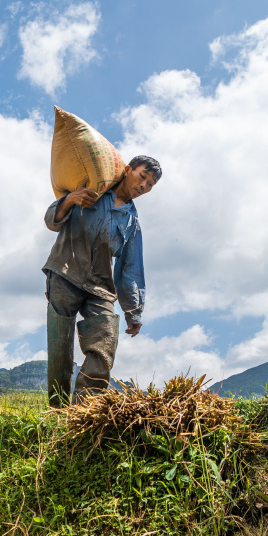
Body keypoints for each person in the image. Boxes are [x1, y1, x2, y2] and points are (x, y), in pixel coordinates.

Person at [42, 155, 161, 407]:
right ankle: (57, 411)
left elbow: (131, 269)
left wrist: (134, 312)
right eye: (142, 177)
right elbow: (51, 220)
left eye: (150, 185)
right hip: (65, 271)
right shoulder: (94, 190)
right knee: (60, 344)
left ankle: (84, 409)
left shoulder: (132, 221)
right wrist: (70, 199)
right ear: (127, 170)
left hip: (100, 287)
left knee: (105, 341)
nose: (144, 186)